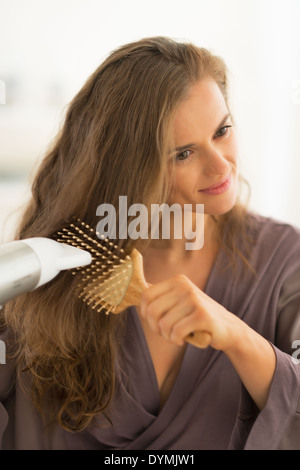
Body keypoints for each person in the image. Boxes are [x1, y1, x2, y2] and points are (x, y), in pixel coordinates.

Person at [1, 36, 300, 450]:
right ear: (129, 168)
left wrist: (236, 335)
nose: (220, 165)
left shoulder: (285, 261)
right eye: (182, 153)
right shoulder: (58, 269)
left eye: (222, 130)